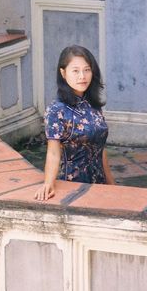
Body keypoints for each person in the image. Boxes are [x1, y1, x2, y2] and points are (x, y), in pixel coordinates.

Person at [34, 45, 115, 201]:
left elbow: (100, 148)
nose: (82, 76)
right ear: (63, 73)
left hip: (99, 182)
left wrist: (111, 182)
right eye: (75, 71)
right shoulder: (57, 110)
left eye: (87, 70)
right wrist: (47, 183)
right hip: (72, 185)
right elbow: (53, 152)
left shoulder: (93, 104)